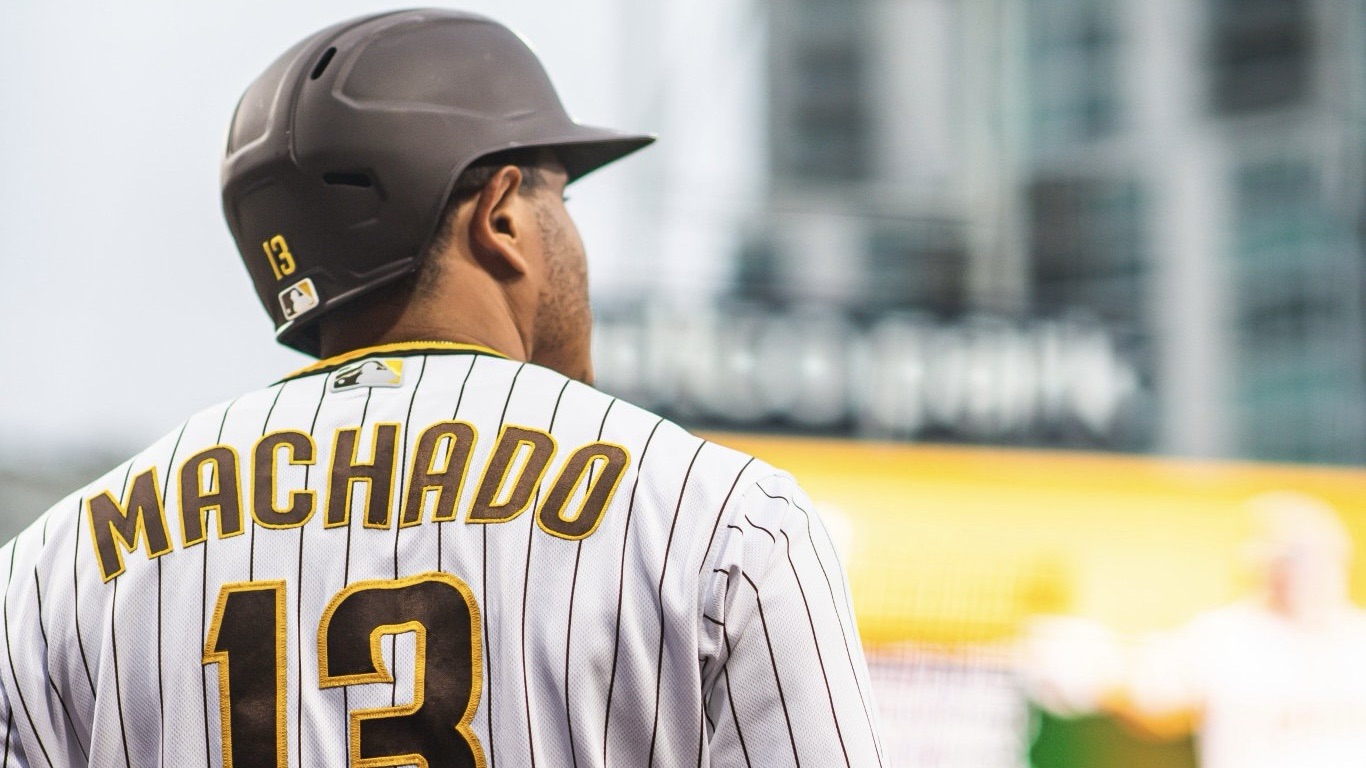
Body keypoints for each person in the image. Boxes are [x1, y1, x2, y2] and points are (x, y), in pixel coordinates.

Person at [0, 9, 885, 767]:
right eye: (562, 200)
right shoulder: (721, 520)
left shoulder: (53, 573)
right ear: (500, 215)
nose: (572, 235)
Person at [1026, 491, 1366, 768]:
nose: (1301, 571)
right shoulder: (1225, 636)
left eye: (1309, 555)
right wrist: (1079, 663)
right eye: (1284, 556)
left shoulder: (1357, 637)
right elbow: (1148, 699)